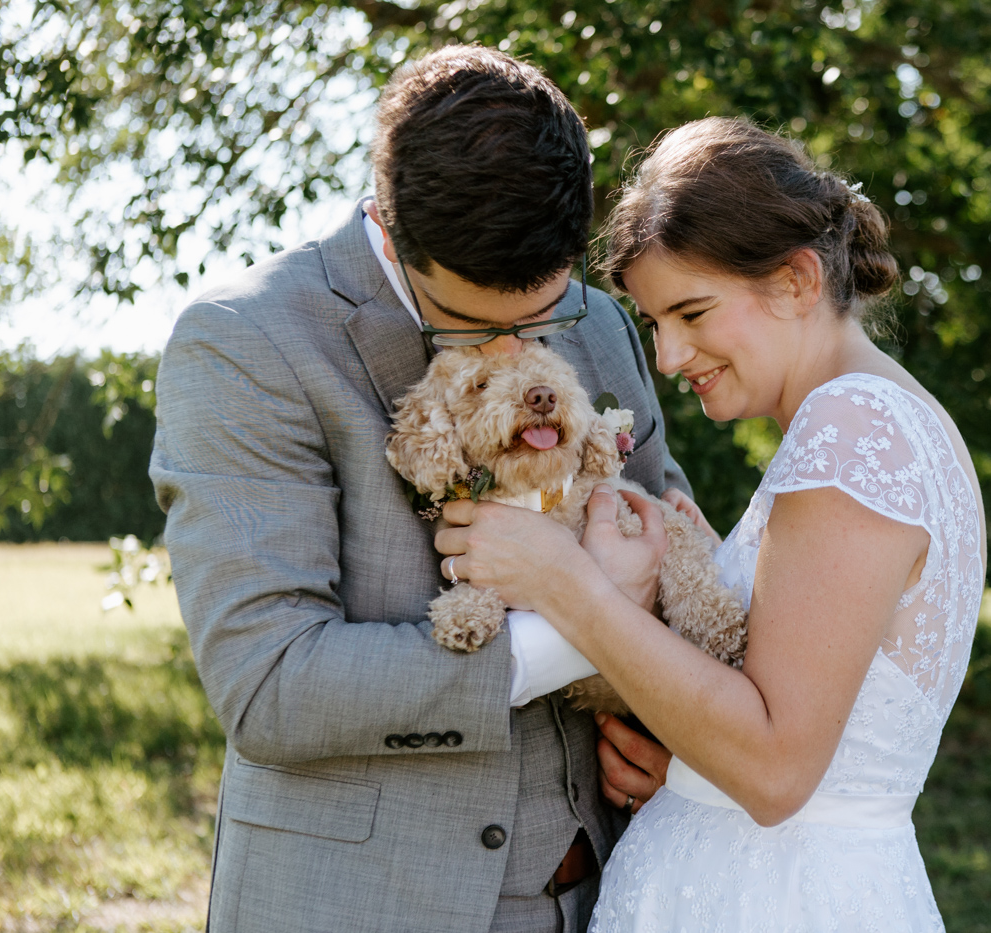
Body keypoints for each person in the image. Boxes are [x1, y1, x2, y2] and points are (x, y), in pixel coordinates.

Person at [150, 46, 697, 933]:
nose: (523, 348)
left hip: (612, 895)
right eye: (480, 322)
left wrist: (685, 742)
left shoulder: (595, 323)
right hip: (363, 905)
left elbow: (672, 545)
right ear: (391, 228)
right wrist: (580, 619)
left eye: (542, 314)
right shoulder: (245, 343)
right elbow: (272, 683)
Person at [437, 116, 987, 931]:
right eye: (655, 323)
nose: (665, 357)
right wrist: (694, 764)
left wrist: (566, 584)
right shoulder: (889, 416)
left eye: (691, 313)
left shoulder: (850, 433)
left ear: (798, 281)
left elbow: (774, 768)